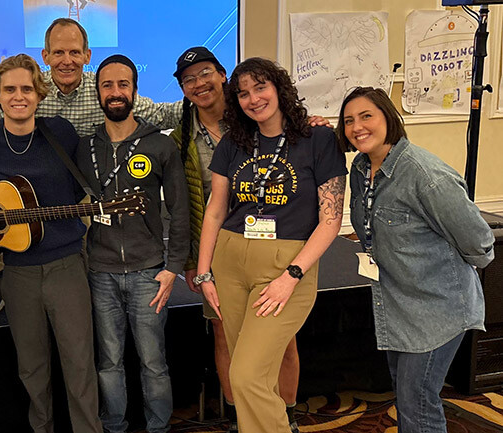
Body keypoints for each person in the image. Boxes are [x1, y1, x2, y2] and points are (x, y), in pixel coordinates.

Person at [0, 17, 184, 319]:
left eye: (74, 52)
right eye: (58, 53)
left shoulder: (104, 90)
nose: (67, 60)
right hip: (26, 187)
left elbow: (163, 114)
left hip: (81, 185)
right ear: (45, 57)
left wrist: (211, 101)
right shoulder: (27, 87)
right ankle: (0, 277)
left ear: (87, 56)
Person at [171, 47, 322, 432]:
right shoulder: (187, 131)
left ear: (222, 76)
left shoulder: (301, 136)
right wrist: (199, 268)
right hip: (224, 252)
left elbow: (328, 204)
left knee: (274, 348)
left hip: (280, 254)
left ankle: (282, 416)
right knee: (229, 344)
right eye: (188, 79)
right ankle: (247, 421)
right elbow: (209, 209)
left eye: (205, 74)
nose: (198, 83)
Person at [338, 86, 494, 433]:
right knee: (410, 397)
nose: (357, 127)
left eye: (367, 116)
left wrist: (441, 269)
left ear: (388, 119)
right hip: (399, 304)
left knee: (417, 403)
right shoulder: (362, 168)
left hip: (437, 310)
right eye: (348, 121)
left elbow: (479, 242)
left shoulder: (425, 174)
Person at [0, 53, 101, 433]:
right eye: (9, 89)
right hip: (16, 273)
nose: (18, 96)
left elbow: (77, 188)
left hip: (67, 265)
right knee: (32, 367)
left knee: (79, 363)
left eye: (26, 88)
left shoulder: (62, 134)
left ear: (39, 94)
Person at [76, 54, 189, 433]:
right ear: (98, 93)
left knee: (153, 362)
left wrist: (172, 268)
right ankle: (114, 426)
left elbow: (180, 210)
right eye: (107, 85)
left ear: (135, 91)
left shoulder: (160, 145)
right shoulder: (84, 148)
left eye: (123, 84)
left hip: (149, 273)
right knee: (108, 362)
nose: (116, 92)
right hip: (100, 273)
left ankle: (159, 428)